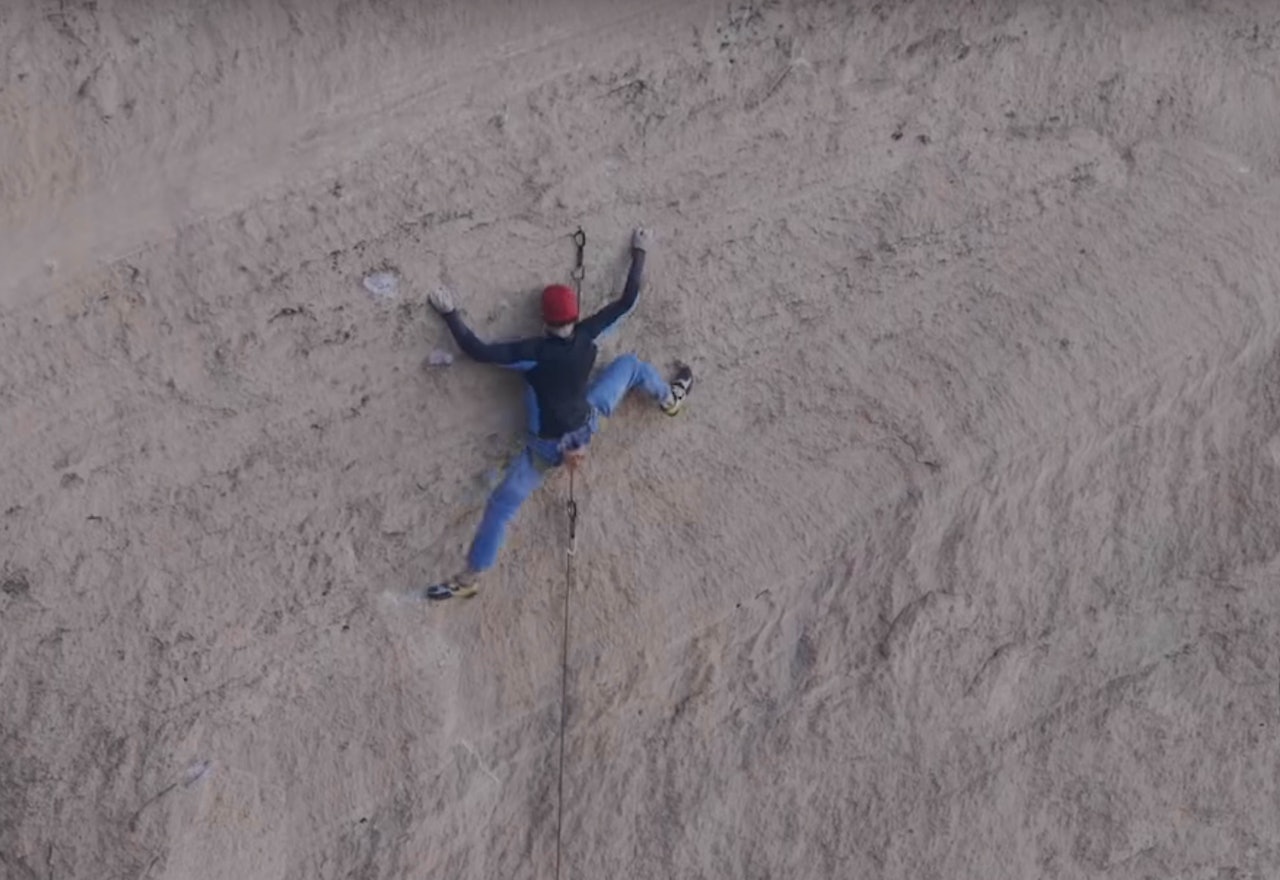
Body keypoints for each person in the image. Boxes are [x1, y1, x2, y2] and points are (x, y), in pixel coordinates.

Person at [420, 227, 693, 599]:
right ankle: (668, 400)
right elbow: (628, 300)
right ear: (575, 316)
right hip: (587, 422)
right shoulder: (587, 336)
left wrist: (449, 312)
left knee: (500, 507)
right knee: (630, 365)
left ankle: (471, 577)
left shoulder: (533, 352)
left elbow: (479, 350)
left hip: (545, 449)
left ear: (543, 320)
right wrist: (639, 251)